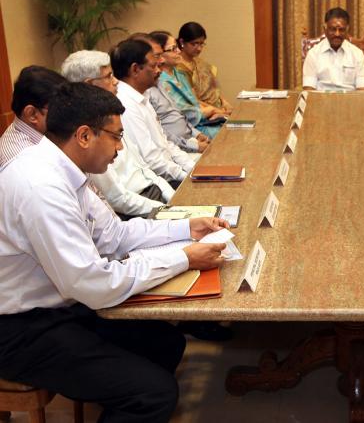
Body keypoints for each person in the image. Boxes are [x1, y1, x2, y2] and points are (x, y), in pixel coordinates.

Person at [0, 81, 228, 422]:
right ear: (84, 136)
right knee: (154, 394)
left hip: (59, 305)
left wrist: (186, 228)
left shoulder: (63, 168)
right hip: (20, 329)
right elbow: (93, 284)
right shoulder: (41, 187)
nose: (121, 148)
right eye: (116, 136)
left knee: (166, 343)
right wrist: (183, 258)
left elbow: (115, 236)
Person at [62, 49, 176, 218]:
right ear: (89, 84)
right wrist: (169, 211)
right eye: (108, 76)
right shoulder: (88, 131)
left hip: (155, 194)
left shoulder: (111, 111)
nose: (116, 82)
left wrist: (172, 197)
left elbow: (144, 167)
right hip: (136, 210)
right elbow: (117, 198)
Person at [111, 38, 195, 187]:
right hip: (160, 181)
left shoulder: (142, 95)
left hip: (171, 171)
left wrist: (192, 168)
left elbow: (165, 144)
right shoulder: (126, 104)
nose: (158, 71)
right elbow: (151, 160)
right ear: (135, 69)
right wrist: (187, 176)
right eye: (153, 66)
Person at [148, 30, 213, 151]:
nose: (178, 51)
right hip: (192, 129)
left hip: (191, 131)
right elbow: (185, 113)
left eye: (177, 47)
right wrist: (213, 111)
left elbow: (180, 112)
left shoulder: (177, 74)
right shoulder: (158, 82)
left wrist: (196, 134)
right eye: (173, 48)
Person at [0, 66, 65, 166]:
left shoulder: (37, 135)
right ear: (32, 114)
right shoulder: (23, 159)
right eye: (59, 108)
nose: (66, 113)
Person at [302, 7, 364, 92]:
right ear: (325, 29)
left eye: (341, 30)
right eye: (333, 29)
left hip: (350, 103)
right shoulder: (313, 54)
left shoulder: (357, 54)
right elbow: (309, 90)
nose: (337, 34)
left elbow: (362, 90)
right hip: (321, 102)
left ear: (347, 30)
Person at [176, 21, 233, 115]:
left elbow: (213, 91)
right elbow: (193, 101)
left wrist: (224, 102)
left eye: (201, 44)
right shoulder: (178, 67)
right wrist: (219, 112)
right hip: (202, 114)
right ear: (182, 42)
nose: (199, 48)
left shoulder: (200, 63)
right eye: (194, 44)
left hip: (217, 109)